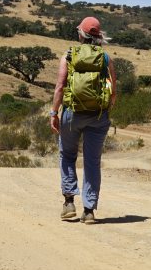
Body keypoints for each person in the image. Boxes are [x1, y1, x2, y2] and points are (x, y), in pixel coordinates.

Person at [49, 16, 116, 224]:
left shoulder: (69, 56)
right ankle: (89, 210)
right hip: (98, 115)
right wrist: (104, 110)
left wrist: (54, 113)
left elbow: (60, 87)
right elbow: (112, 91)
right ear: (98, 36)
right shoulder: (105, 59)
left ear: (81, 35)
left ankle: (69, 202)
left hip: (72, 113)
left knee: (67, 155)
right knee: (92, 162)